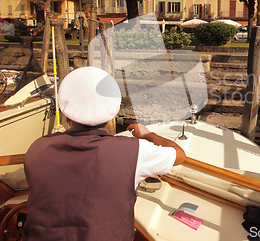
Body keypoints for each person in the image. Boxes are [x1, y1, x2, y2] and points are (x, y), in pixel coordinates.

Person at [23, 66, 186, 240]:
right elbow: (179, 154)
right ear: (111, 115)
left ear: (67, 115)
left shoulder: (38, 148)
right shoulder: (134, 151)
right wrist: (148, 135)